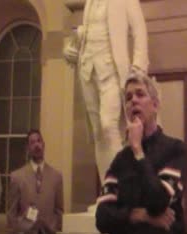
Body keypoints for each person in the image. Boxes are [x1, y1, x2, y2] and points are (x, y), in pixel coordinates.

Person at [95, 72, 187, 234]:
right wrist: (137, 215)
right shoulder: (119, 160)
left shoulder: (175, 149)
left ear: (155, 105)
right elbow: (102, 218)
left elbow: (158, 202)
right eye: (128, 98)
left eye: (140, 94)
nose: (133, 101)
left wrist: (138, 150)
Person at [63, 0, 149, 182]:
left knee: (108, 125)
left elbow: (139, 30)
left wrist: (138, 68)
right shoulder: (89, 3)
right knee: (98, 133)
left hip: (112, 71)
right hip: (88, 71)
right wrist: (71, 51)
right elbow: (86, 36)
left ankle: (122, 187)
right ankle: (107, 189)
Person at [7, 129, 63, 234]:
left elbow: (59, 210)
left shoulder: (56, 176)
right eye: (32, 142)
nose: (36, 145)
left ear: (43, 144)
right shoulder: (17, 177)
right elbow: (11, 212)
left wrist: (55, 229)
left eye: (39, 141)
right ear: (28, 148)